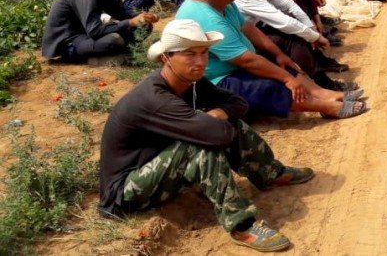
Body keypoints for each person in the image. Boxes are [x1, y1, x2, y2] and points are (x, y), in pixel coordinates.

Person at [98, 19, 313, 252]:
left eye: (204, 52)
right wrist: (212, 120)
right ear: (166, 58)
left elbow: (238, 103)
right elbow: (217, 136)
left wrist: (219, 113)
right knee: (201, 144)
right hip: (125, 193)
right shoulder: (154, 98)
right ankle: (240, 224)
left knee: (227, 124)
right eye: (190, 54)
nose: (200, 61)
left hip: (156, 165)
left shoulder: (190, 81)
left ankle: (270, 172)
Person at [175, 0, 367, 119]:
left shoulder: (220, 0)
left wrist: (279, 55)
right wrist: (287, 79)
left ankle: (327, 94)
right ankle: (326, 107)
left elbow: (248, 28)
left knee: (284, 63)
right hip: (215, 80)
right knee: (268, 86)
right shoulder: (207, 17)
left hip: (239, 63)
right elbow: (246, 60)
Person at [235, 0, 354, 91]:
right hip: (244, 42)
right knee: (294, 39)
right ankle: (324, 86)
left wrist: (311, 29)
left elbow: (289, 5)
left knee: (298, 34)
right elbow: (284, 21)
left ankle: (320, 79)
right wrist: (315, 36)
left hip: (254, 31)